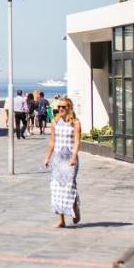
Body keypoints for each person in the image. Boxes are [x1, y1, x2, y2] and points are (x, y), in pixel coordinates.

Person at [42, 97, 82, 228]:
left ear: (69, 108)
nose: (60, 109)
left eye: (63, 107)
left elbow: (77, 142)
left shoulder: (75, 123)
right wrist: (47, 158)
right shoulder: (54, 122)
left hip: (70, 158)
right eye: (59, 107)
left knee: (69, 187)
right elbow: (52, 142)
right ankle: (61, 219)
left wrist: (74, 157)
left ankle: (74, 205)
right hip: (58, 159)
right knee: (56, 188)